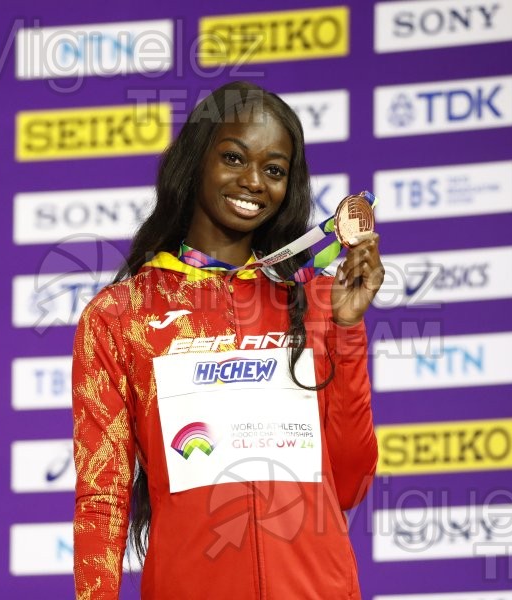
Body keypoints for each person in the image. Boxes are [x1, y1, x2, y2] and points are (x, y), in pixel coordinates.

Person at [72, 81, 382, 599]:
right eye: (234, 158)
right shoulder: (121, 317)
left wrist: (347, 332)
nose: (254, 181)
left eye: (274, 169)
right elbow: (102, 498)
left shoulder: (316, 301)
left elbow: (348, 483)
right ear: (194, 162)